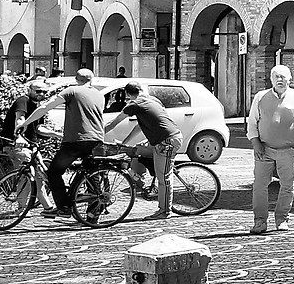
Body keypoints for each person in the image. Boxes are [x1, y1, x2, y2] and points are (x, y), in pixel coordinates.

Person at [24, 68, 105, 220]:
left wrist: (26, 123)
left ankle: (64, 207)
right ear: (91, 80)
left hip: (75, 140)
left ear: (76, 79)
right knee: (91, 173)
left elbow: (45, 107)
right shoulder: (99, 95)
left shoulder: (72, 90)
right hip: (97, 138)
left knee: (54, 172)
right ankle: (93, 213)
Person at [247, 65, 294, 234]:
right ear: (271, 79)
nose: (280, 80)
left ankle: (282, 219)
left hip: (289, 150)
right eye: (276, 76)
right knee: (260, 185)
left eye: (283, 77)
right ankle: (260, 221)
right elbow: (252, 122)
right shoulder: (261, 97)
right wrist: (255, 142)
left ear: (290, 79)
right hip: (264, 149)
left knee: (287, 186)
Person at [107, 84, 182, 219]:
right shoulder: (153, 100)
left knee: (163, 178)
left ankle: (165, 211)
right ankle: (142, 181)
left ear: (128, 95)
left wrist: (97, 135)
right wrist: (124, 142)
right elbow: (139, 127)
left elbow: (114, 122)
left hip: (166, 142)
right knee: (136, 151)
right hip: (171, 138)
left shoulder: (134, 105)